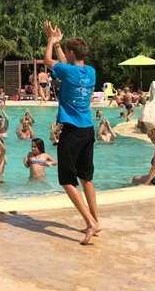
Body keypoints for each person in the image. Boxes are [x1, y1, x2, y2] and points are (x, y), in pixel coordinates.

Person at [44, 20, 100, 244]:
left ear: (70, 53)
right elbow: (66, 66)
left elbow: (48, 61)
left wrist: (51, 40)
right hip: (88, 130)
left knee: (67, 180)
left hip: (72, 131)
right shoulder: (90, 72)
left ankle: (90, 223)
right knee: (86, 178)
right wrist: (59, 45)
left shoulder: (68, 71)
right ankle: (96, 221)